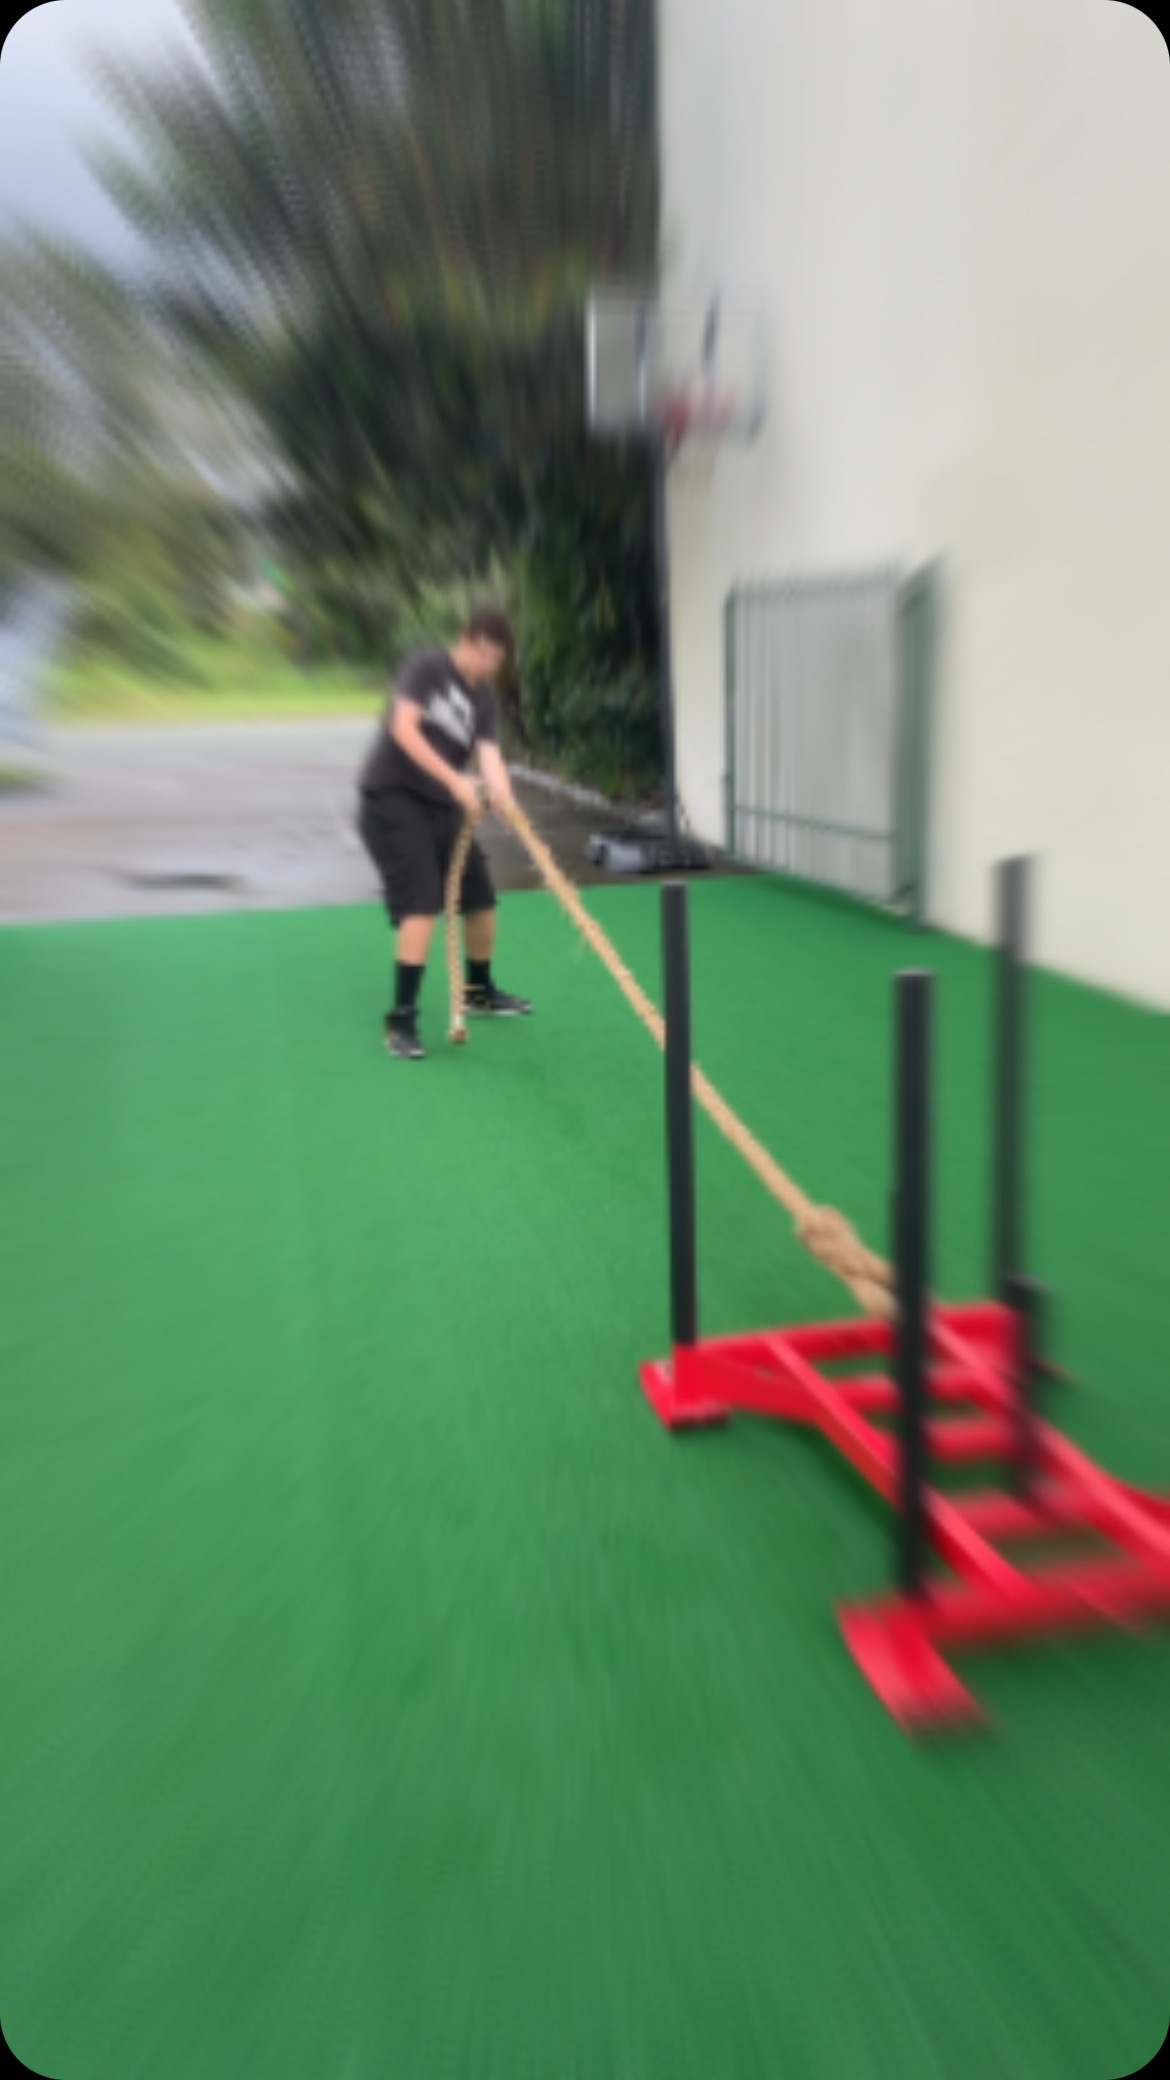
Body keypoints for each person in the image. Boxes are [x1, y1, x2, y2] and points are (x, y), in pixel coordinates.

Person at [357, 605, 533, 1059]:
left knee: (480, 898)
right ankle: (401, 1020)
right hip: (392, 799)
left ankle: (478, 989)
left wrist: (502, 792)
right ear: (464, 639)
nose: (487, 665)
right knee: (422, 900)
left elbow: (489, 754)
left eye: (496, 658)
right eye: (482, 654)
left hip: (442, 808)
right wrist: (457, 781)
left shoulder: (484, 699)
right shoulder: (428, 667)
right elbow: (403, 730)